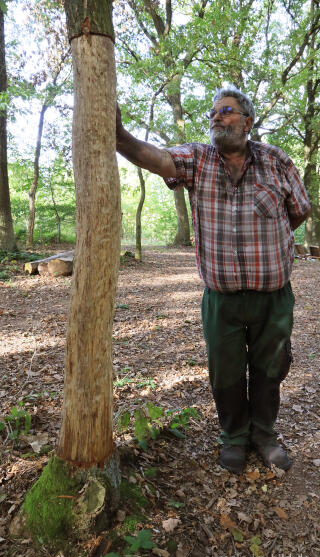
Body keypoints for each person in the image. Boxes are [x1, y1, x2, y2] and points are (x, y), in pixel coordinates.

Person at [116, 86, 311, 474]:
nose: (216, 118)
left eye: (225, 110)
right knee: (225, 371)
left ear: (247, 121)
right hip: (220, 299)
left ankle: (265, 435)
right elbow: (158, 158)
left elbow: (299, 211)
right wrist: (119, 135)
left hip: (272, 297)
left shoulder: (277, 161)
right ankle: (234, 437)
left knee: (270, 368)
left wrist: (271, 244)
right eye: (212, 113)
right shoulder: (199, 159)